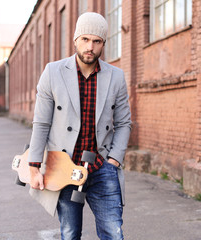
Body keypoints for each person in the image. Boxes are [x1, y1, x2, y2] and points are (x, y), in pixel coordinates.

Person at [27, 12, 131, 240]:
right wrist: (34, 166)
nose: (90, 47)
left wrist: (114, 160)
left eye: (96, 41)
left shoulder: (116, 76)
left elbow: (124, 123)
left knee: (113, 233)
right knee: (70, 233)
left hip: (102, 166)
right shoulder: (53, 72)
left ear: (103, 43)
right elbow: (41, 122)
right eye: (85, 39)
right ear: (75, 40)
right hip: (65, 165)